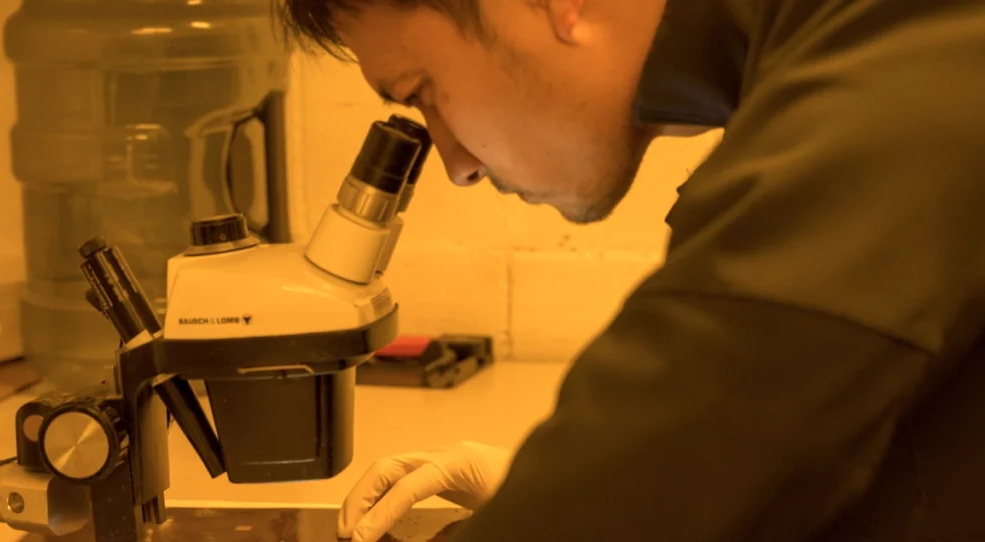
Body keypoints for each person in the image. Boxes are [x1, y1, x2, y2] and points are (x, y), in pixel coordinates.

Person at [277, 0, 985, 540]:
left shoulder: (899, 46)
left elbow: (725, 386)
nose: (457, 163)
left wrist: (598, 497)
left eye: (422, 88)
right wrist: (565, 482)